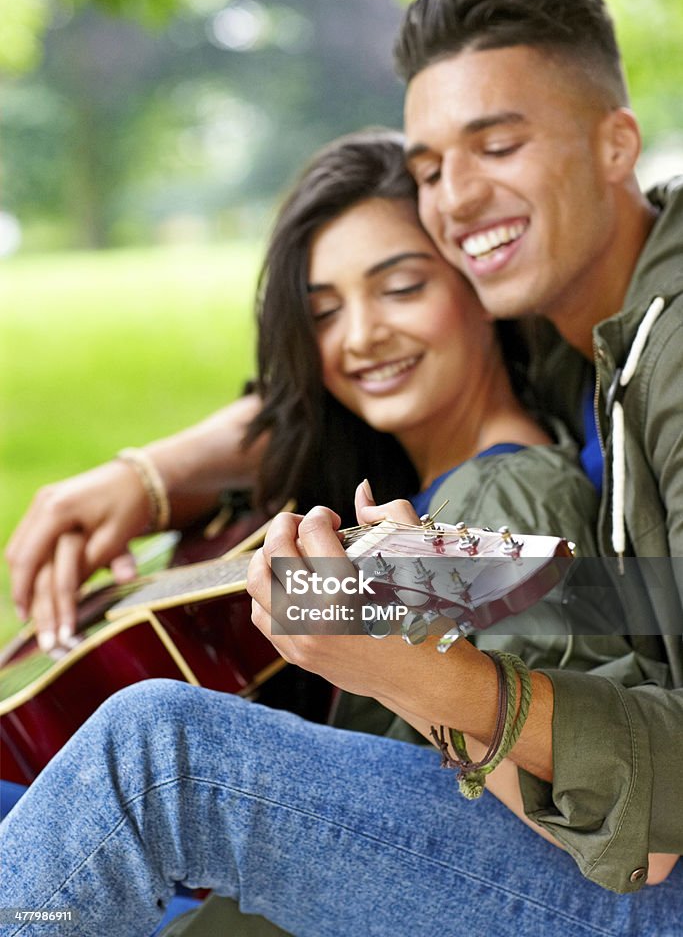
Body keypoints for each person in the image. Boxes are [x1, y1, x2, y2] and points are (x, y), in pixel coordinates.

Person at [1, 129, 602, 936]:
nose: (360, 336)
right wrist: (149, 481)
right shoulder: (387, 483)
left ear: (476, 284)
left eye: (400, 288)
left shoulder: (510, 497)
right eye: (322, 312)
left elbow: (552, 802)